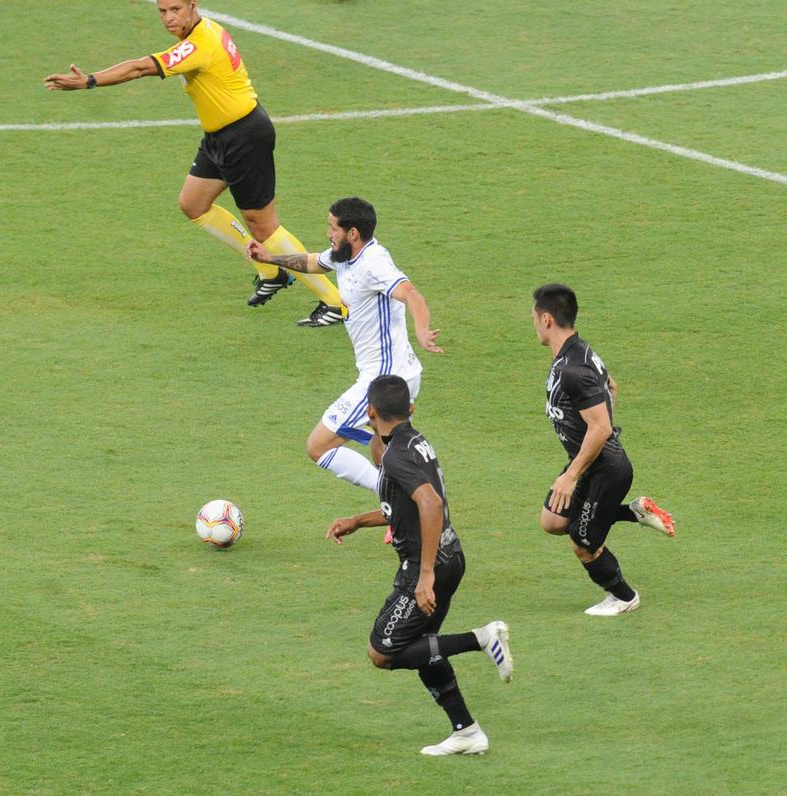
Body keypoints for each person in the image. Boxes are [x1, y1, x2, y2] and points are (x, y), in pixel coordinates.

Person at [43, 0, 344, 327]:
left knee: (263, 225)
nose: (169, 18)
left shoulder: (202, 42)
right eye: (162, 11)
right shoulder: (204, 31)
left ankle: (335, 302)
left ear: (192, 5)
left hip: (244, 136)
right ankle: (269, 269)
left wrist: (89, 81)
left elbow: (141, 67)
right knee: (193, 203)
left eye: (176, 9)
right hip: (219, 137)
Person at [326, 375, 512, 756]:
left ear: (372, 412)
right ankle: (467, 731)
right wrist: (359, 521)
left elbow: (429, 504)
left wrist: (424, 576)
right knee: (423, 647)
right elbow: (405, 507)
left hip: (429, 566)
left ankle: (482, 638)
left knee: (383, 651)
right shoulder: (414, 441)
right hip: (449, 556)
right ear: (410, 409)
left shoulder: (396, 456)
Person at [246, 197, 441, 493]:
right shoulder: (344, 255)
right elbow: (313, 262)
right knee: (381, 448)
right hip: (397, 373)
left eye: (333, 228)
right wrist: (269, 258)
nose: (328, 233)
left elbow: (411, 294)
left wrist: (422, 331)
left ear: (353, 233)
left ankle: (399, 500)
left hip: (385, 379)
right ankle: (402, 506)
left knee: (318, 446)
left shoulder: (374, 264)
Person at [531, 284, 676, 616]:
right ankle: (634, 512)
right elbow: (611, 385)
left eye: (535, 318)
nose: (534, 324)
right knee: (553, 519)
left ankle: (624, 597)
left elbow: (601, 427)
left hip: (604, 468)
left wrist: (571, 475)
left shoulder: (573, 368)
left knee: (583, 542)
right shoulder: (576, 352)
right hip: (589, 460)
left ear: (548, 319)